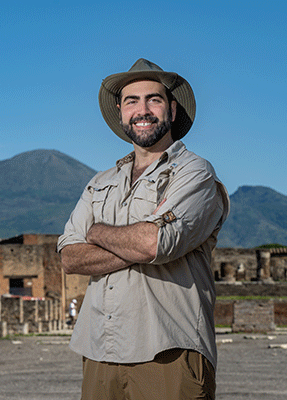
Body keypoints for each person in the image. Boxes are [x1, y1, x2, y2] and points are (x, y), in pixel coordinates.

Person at [57, 59, 229, 400]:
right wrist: (133, 243)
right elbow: (69, 258)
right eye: (132, 101)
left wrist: (96, 232)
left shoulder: (194, 173)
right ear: (121, 112)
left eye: (154, 99)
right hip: (99, 351)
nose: (143, 110)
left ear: (172, 109)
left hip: (168, 350)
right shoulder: (100, 182)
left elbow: (154, 243)